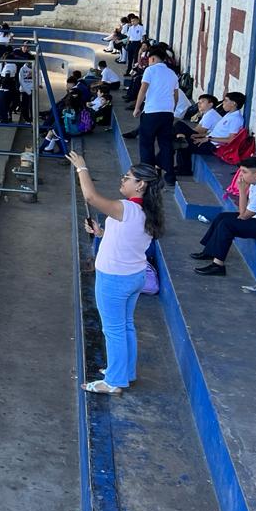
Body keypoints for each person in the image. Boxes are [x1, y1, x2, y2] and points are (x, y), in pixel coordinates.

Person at [68, 152, 163, 395]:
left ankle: (114, 381)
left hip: (115, 279)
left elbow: (90, 196)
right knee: (125, 326)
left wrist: (81, 168)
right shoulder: (148, 212)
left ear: (141, 185)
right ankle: (124, 372)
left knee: (113, 330)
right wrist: (100, 233)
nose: (123, 180)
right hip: (134, 276)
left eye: (128, 177)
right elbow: (127, 238)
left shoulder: (126, 208)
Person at [191, 157, 256, 276]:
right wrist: (244, 191)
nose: (240, 175)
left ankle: (218, 266)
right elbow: (246, 209)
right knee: (222, 217)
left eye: (244, 172)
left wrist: (241, 190)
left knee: (227, 225)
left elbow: (243, 215)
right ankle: (210, 251)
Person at [133, 46, 179, 184]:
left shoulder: (150, 70)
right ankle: (170, 176)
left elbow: (143, 90)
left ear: (152, 58)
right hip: (167, 113)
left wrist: (137, 108)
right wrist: (171, 110)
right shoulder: (172, 73)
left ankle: (148, 175)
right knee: (165, 144)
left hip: (151, 112)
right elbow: (176, 96)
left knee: (146, 144)